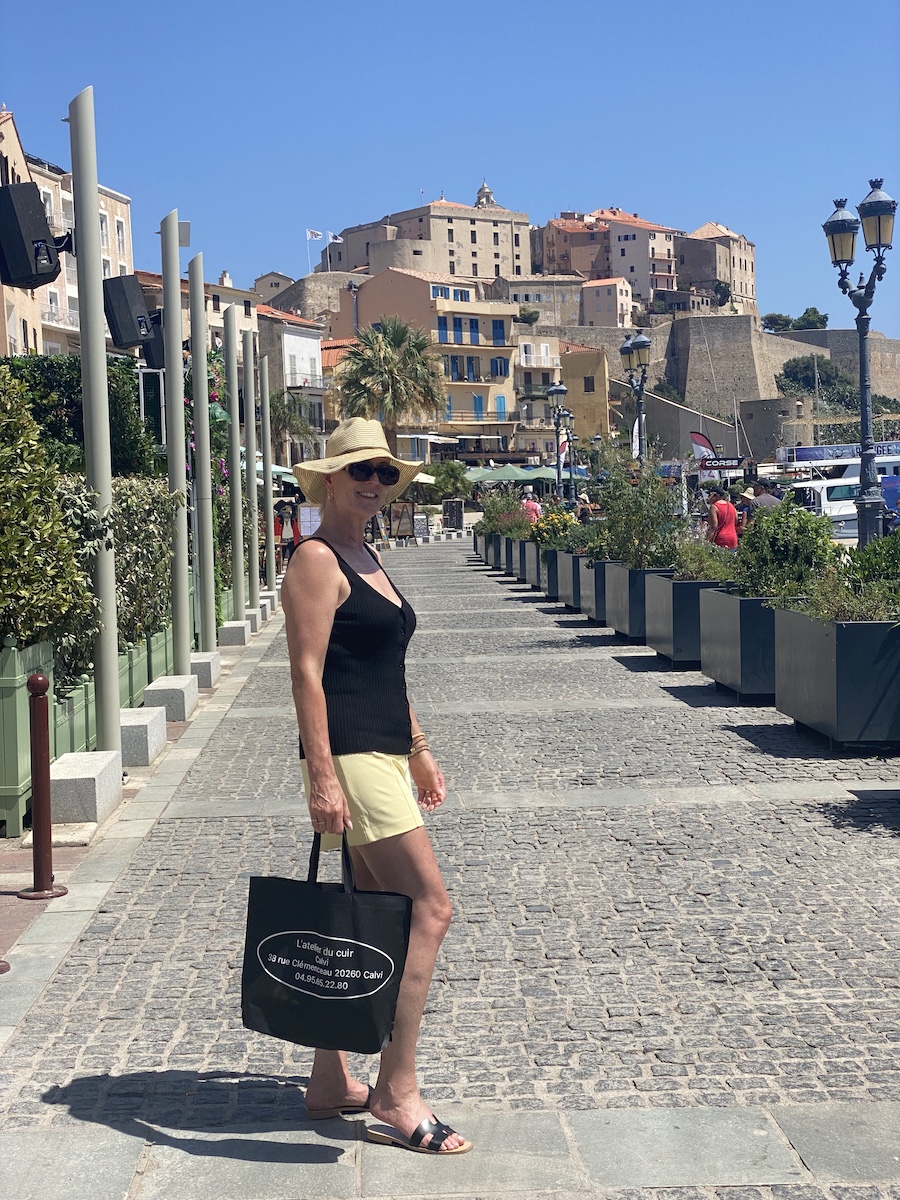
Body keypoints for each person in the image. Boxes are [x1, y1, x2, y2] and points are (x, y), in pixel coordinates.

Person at [282, 417, 472, 1157]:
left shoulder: (368, 555)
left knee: (367, 918)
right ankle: (397, 1089)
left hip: (386, 753)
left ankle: (330, 1078)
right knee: (430, 907)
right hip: (352, 758)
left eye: (384, 474)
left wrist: (419, 749)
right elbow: (306, 674)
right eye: (360, 470)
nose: (373, 483)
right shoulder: (317, 558)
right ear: (329, 477)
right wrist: (322, 776)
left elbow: (385, 670)